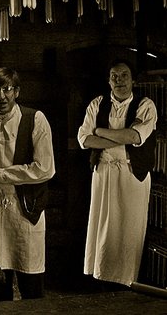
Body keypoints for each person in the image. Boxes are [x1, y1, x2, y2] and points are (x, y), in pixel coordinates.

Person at [0, 67, 55, 300]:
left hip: (25, 211)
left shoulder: (35, 119)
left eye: (7, 89)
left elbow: (44, 169)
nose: (1, 96)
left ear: (16, 91)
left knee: (31, 284)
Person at [77, 59, 157, 288]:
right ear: (109, 80)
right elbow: (84, 139)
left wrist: (101, 131)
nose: (119, 80)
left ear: (133, 80)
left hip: (132, 174)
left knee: (129, 227)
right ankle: (101, 276)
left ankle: (126, 280)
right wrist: (119, 136)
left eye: (124, 75)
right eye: (114, 76)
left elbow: (135, 138)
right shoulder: (97, 104)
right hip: (103, 173)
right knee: (103, 226)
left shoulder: (146, 105)